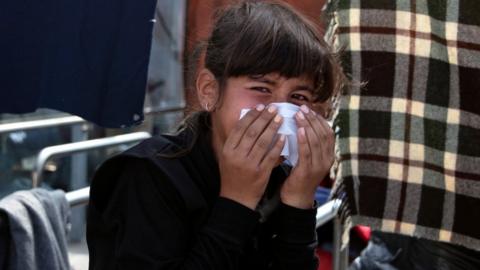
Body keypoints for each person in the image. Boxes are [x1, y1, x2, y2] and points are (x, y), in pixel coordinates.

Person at [86, 1, 347, 269]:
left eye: (298, 97)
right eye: (262, 88)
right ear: (210, 91)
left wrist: (299, 202)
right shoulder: (147, 176)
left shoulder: (282, 179)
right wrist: (237, 199)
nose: (280, 111)